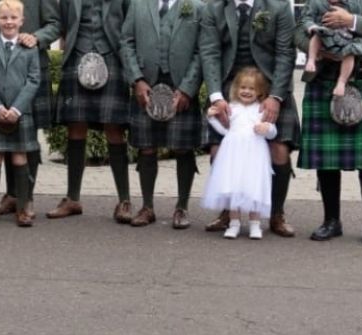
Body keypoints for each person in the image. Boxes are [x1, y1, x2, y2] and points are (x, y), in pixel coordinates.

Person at [295, 0, 362, 244]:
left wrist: (350, 20)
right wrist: (321, 43)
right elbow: (298, 32)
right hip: (323, 80)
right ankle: (331, 221)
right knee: (327, 159)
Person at [198, 0, 298, 235]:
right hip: (229, 88)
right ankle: (227, 212)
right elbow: (209, 52)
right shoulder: (214, 8)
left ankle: (276, 214)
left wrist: (275, 96)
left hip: (272, 87)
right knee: (218, 150)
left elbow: (286, 53)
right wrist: (215, 96)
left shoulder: (279, 7)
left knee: (279, 150)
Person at [118, 0, 204, 228]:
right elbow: (126, 42)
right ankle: (147, 207)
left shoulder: (196, 6)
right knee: (146, 147)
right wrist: (136, 80)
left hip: (181, 88)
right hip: (146, 85)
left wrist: (188, 88)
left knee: (183, 147)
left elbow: (201, 50)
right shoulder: (138, 5)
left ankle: (182, 207)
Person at [46, 0, 133, 223]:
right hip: (77, 54)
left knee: (114, 128)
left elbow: (129, 22)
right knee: (76, 125)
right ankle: (73, 199)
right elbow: (64, 23)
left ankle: (124, 200)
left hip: (112, 55)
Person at [0, 0, 59, 216]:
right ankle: (11, 195)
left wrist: (37, 37)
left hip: (30, 69)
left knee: (28, 138)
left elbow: (54, 24)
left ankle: (27, 198)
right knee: (3, 132)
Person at [0, 0, 41, 227]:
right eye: (4, 18)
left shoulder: (30, 48)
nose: (9, 22)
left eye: (13, 18)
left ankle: (22, 209)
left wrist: (16, 109)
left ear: (22, 20)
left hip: (20, 113)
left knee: (20, 157)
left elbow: (34, 80)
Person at [200, 66, 277, 238]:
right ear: (236, 88)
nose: (246, 91)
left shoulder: (261, 109)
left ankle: (255, 225)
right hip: (233, 153)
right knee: (233, 186)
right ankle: (234, 223)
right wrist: (211, 118)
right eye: (243, 88)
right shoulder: (231, 108)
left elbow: (273, 131)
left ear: (259, 92)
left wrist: (266, 128)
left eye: (251, 89)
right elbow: (225, 131)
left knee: (253, 187)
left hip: (255, 153)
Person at [301, 0, 362, 97]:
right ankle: (311, 60)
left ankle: (341, 82)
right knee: (317, 35)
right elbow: (305, 19)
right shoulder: (316, 2)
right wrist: (312, 27)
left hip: (346, 38)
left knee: (350, 53)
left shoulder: (355, 2)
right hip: (326, 34)